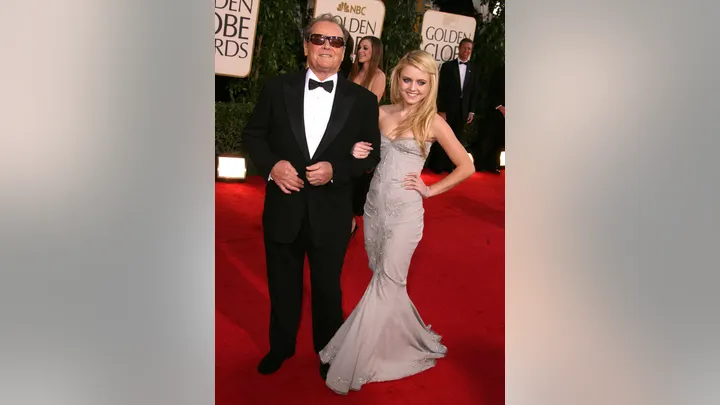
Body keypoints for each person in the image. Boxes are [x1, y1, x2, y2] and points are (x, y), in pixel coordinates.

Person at [318, 50, 475, 395]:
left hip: (406, 213)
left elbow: (467, 166)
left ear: (431, 85)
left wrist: (430, 190)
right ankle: (408, 338)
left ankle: (350, 359)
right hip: (374, 208)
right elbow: (358, 152)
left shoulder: (433, 122)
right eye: (407, 80)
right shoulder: (380, 112)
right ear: (397, 78)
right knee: (385, 280)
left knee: (386, 281)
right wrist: (356, 152)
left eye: (421, 82)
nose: (413, 88)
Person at [243, 13, 381, 380]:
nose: (326, 46)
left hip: (331, 213)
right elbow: (253, 135)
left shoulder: (363, 100)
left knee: (327, 290)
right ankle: (281, 347)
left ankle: (329, 352)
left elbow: (371, 155)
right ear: (306, 46)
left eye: (336, 42)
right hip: (283, 207)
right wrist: (273, 167)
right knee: (282, 285)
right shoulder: (277, 88)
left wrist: (336, 170)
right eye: (319, 39)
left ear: (344, 53)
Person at [348, 35, 386, 237]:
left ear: (375, 52)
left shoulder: (378, 76)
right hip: (345, 129)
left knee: (356, 178)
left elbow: (371, 107)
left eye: (365, 48)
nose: (360, 51)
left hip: (362, 131)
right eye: (360, 47)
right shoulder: (353, 73)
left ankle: (351, 221)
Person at [428, 37, 478, 173]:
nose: (467, 51)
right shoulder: (448, 66)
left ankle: (449, 166)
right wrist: (441, 110)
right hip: (448, 110)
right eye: (465, 48)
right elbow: (441, 89)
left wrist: (471, 111)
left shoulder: (473, 68)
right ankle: (437, 166)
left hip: (463, 110)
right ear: (459, 48)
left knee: (456, 139)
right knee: (441, 136)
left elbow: (474, 91)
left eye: (469, 49)